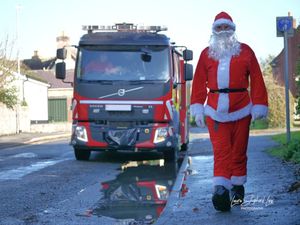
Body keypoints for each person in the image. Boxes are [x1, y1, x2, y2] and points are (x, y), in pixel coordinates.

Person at [190, 11, 268, 212]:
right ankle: (221, 192)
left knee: (239, 150)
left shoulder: (246, 51)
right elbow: (198, 82)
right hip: (215, 111)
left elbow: (257, 78)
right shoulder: (206, 54)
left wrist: (259, 104)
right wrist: (197, 108)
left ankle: (237, 188)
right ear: (214, 31)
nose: (223, 31)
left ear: (232, 30)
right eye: (219, 28)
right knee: (222, 151)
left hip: (242, 109)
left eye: (227, 27)